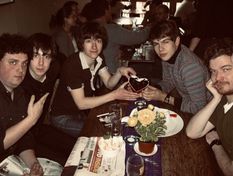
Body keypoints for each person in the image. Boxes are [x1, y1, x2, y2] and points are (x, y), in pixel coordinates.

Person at [50, 21, 139, 137]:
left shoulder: (98, 58)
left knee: (116, 123)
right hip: (62, 117)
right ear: (81, 44)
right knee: (101, 131)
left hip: (80, 113)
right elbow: (81, 103)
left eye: (98, 40)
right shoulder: (72, 65)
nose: (94, 46)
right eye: (88, 41)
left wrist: (119, 72)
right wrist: (114, 95)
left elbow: (108, 83)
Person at [21, 33, 76, 164]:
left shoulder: (54, 69)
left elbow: (70, 62)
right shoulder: (21, 85)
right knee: (65, 163)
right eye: (35, 55)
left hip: (42, 129)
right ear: (28, 57)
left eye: (46, 56)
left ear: (51, 58)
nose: (41, 63)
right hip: (24, 140)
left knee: (77, 148)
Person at [0, 33, 48, 175]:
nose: (20, 70)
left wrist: (33, 164)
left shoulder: (21, 93)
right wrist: (30, 120)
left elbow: (23, 139)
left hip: (13, 160)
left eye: (24, 63)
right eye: (13, 62)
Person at [186, 38, 233, 175]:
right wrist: (216, 98)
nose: (218, 77)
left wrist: (216, 144)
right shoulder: (224, 99)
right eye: (213, 71)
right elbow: (192, 132)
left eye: (226, 69)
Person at [142, 20, 211, 114]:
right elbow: (169, 82)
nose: (160, 49)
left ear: (177, 41)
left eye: (165, 42)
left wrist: (163, 97)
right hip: (186, 103)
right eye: (156, 43)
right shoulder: (169, 55)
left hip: (207, 113)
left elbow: (199, 108)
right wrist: (153, 89)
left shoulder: (190, 67)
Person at [82, 0, 150, 73]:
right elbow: (140, 37)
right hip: (110, 75)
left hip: (92, 74)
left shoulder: (85, 29)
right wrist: (149, 27)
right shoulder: (110, 29)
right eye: (109, 9)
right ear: (106, 11)